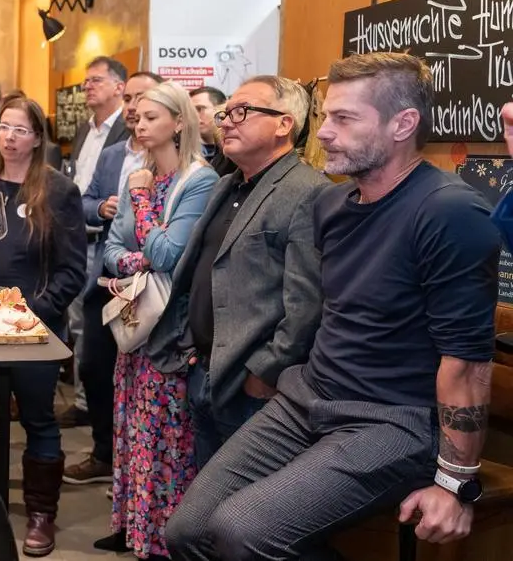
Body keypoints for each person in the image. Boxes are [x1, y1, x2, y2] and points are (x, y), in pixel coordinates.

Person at [167, 52, 500, 561]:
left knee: (240, 530)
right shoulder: (332, 206)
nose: (322, 133)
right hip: (308, 399)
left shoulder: (449, 212)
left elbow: (468, 365)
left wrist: (455, 483)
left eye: (344, 119)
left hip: (393, 421)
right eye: (326, 116)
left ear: (402, 124)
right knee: (186, 531)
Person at [146, 76, 326, 469]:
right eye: (226, 113)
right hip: (204, 370)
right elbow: (200, 271)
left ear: (284, 124)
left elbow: (307, 304)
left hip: (251, 387)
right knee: (206, 495)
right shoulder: (227, 185)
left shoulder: (308, 191)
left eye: (242, 112)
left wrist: (264, 373)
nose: (226, 122)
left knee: (245, 500)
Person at [0, 95, 87, 557]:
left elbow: (72, 270)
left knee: (37, 418)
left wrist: (33, 313)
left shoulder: (57, 190)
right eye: (4, 128)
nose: (9, 138)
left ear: (37, 138)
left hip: (33, 330)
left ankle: (40, 514)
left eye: (20, 130)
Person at [103, 82, 217, 560]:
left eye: (151, 117)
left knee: (165, 439)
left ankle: (164, 542)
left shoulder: (199, 181)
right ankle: (134, 532)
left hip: (170, 333)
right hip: (135, 327)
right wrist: (138, 263)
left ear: (179, 121)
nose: (140, 124)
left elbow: (170, 254)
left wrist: (143, 202)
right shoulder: (141, 174)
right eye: (138, 117)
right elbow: (111, 250)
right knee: (133, 432)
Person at [63, 70, 162, 486]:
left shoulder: (172, 160)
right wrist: (101, 207)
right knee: (94, 365)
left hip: (152, 279)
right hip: (106, 272)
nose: (134, 108)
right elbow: (83, 201)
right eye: (130, 100)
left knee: (140, 375)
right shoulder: (113, 153)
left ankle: (135, 464)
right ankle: (104, 453)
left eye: (143, 99)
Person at [59, 56, 132, 430]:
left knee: (101, 334)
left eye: (96, 80)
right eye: (85, 81)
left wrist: (101, 208)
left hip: (110, 246)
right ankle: (85, 403)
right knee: (79, 326)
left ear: (120, 87)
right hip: (77, 236)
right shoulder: (85, 130)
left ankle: (101, 413)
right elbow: (83, 191)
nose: (87, 86)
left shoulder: (127, 133)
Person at [189, 86, 235, 176]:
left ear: (221, 109)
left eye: (199, 109)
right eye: (190, 111)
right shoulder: (184, 153)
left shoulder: (236, 153)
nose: (193, 116)